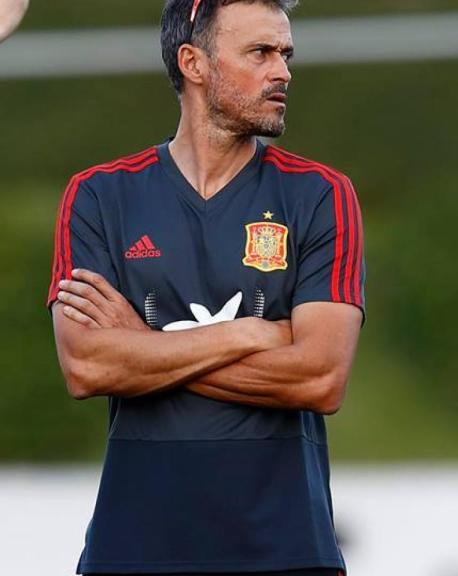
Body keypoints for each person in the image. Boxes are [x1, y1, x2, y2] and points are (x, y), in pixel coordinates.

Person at [48, 1, 363, 574]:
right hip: (132, 550)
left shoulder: (321, 194)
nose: (283, 72)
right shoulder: (98, 196)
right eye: (260, 53)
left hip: (286, 551)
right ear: (193, 63)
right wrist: (251, 334)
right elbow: (88, 368)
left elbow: (320, 376)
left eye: (285, 54)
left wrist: (144, 346)